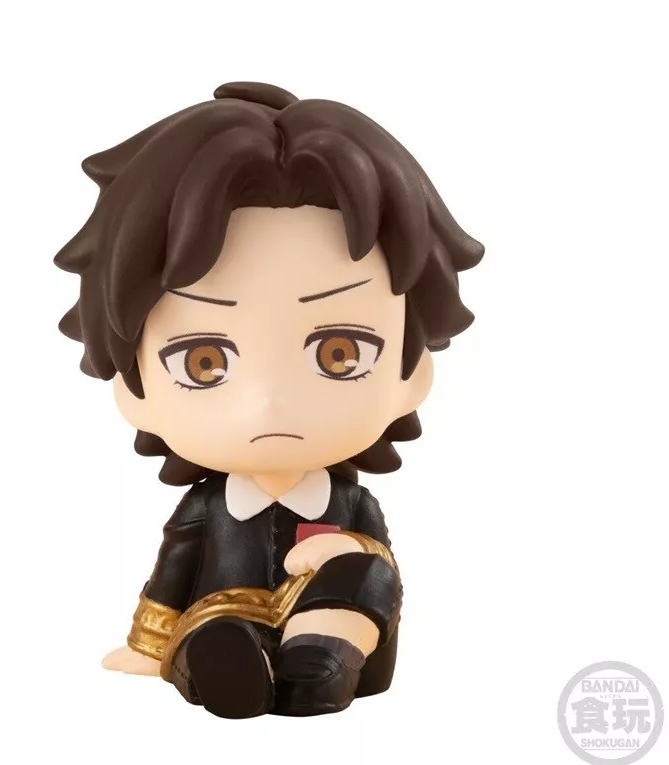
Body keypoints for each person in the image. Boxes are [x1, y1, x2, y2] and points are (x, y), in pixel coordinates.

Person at [55, 81, 483, 718]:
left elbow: (381, 572)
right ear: (133, 390)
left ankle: (320, 663)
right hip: (223, 614)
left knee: (366, 571)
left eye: (340, 352)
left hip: (347, 631)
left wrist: (347, 554)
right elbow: (172, 580)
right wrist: (150, 645)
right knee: (209, 633)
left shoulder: (352, 506)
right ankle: (223, 667)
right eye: (204, 362)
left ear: (411, 376)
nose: (270, 402)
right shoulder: (205, 509)